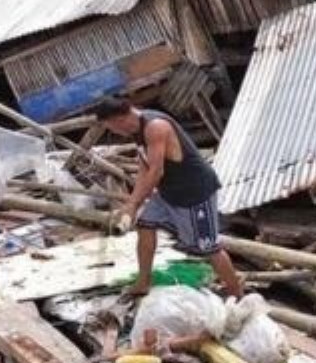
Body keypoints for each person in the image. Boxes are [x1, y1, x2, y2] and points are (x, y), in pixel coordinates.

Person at [93, 96, 243, 298]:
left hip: (194, 192)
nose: (115, 132)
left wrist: (135, 203)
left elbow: (156, 172)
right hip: (169, 192)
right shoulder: (136, 130)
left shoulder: (156, 127)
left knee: (209, 248)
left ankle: (237, 293)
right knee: (145, 225)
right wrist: (131, 204)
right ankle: (143, 281)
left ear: (120, 119)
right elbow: (144, 168)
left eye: (112, 127)